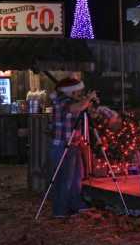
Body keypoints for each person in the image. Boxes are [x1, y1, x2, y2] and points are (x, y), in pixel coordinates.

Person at [49, 77, 98, 218]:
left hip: (73, 144)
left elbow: (87, 112)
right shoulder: (61, 101)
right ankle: (60, 210)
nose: (79, 93)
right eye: (78, 91)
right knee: (64, 179)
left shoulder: (72, 101)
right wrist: (88, 98)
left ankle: (75, 204)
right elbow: (76, 108)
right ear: (71, 91)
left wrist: (91, 105)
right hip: (62, 145)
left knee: (77, 177)